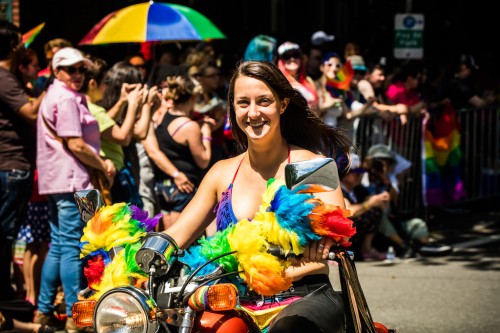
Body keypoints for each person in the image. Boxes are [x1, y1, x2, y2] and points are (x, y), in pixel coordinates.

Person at [153, 60, 352, 332]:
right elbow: (176, 235)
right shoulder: (221, 173)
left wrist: (298, 259)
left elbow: (338, 233)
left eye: (264, 101)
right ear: (233, 108)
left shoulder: (309, 165)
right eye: (243, 102)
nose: (253, 112)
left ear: (282, 105)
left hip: (304, 297)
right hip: (233, 300)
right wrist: (133, 262)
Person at [35, 47, 116, 332]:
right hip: (74, 181)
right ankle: (74, 314)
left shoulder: (55, 95)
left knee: (59, 247)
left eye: (82, 69)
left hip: (59, 180)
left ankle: (43, 311)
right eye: (71, 69)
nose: (78, 74)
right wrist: (103, 162)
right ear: (56, 71)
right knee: (71, 247)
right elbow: (77, 144)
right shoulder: (66, 98)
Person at [0, 20, 45, 302]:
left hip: (15, 166)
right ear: (14, 45)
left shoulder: (9, 75)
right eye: (21, 41)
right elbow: (29, 112)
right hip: (11, 166)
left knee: (8, 234)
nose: (25, 46)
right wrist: (47, 89)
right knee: (5, 234)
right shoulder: (3, 76)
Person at [363, 144, 453, 258]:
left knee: (418, 224)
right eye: (379, 161)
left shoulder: (390, 178)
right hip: (374, 222)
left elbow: (394, 201)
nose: (382, 164)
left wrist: (385, 179)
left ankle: (424, 245)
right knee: (379, 215)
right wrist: (367, 167)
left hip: (391, 219)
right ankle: (403, 246)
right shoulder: (363, 176)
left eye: (387, 161)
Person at [151, 75, 214, 229]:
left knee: (167, 239)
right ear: (192, 97)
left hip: (164, 186)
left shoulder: (162, 116)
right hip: (184, 188)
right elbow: (203, 160)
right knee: (180, 245)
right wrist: (206, 133)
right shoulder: (189, 126)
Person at [340, 153, 389, 260]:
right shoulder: (338, 190)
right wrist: (369, 203)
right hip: (340, 235)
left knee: (375, 210)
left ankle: (367, 248)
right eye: (356, 172)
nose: (360, 175)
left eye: (361, 172)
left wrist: (381, 198)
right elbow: (348, 211)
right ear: (344, 174)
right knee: (369, 209)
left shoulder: (358, 189)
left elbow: (382, 206)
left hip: (356, 234)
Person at [276, 41, 319, 114]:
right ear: (281, 61)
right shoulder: (279, 82)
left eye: (296, 55)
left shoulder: (308, 80)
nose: (292, 59)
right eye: (287, 56)